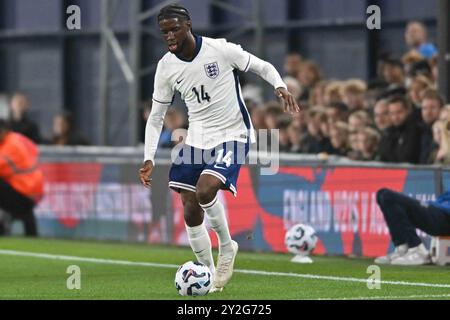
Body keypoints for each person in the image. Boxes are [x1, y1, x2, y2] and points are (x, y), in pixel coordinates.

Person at [138, 4, 299, 292]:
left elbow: (262, 65)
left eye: (175, 28)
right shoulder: (166, 67)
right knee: (189, 207)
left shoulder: (220, 49)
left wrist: (279, 86)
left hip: (233, 134)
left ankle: (227, 246)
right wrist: (149, 157)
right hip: (197, 137)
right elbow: (156, 117)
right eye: (165, 32)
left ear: (188, 24)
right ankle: (208, 274)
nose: (170, 36)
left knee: (205, 189)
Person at [375, 188, 450, 265]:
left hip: (445, 217)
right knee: (381, 194)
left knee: (388, 196)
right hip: (436, 210)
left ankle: (418, 249)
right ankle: (403, 248)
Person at [0, 119, 44, 236]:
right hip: (35, 190)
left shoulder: (9, 147)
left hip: (24, 192)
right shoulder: (18, 138)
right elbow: (35, 150)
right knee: (26, 214)